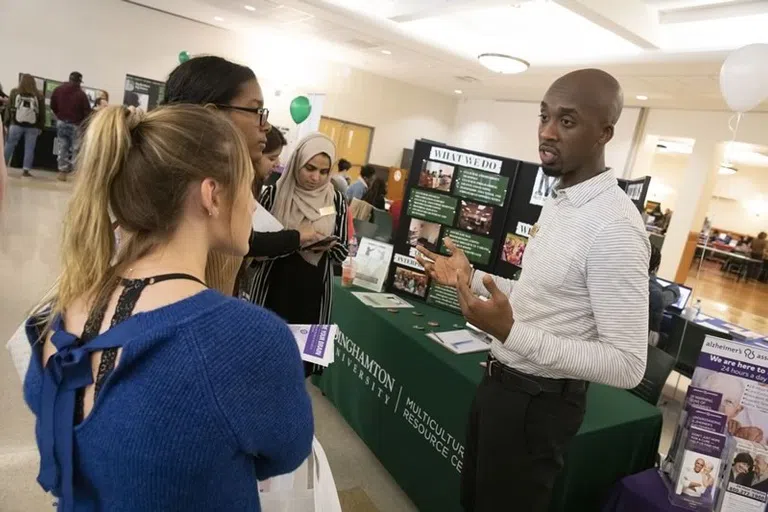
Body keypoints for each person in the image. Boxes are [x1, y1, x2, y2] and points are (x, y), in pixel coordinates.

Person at [22, 105, 313, 511]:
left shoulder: (58, 310)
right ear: (212, 195)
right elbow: (286, 451)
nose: (252, 207)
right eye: (248, 188)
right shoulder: (245, 338)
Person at [416, 69, 649, 511]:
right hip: (499, 385)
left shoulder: (616, 226)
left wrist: (512, 334)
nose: (546, 132)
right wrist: (476, 278)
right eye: (544, 116)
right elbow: (540, 296)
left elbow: (628, 365)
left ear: (605, 132)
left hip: (538, 408)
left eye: (567, 121)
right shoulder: (562, 198)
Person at [164, 55, 321, 294]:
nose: (266, 125)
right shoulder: (179, 196)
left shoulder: (221, 183)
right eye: (256, 110)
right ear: (213, 116)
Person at [241, 133, 349, 375]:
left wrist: (329, 246)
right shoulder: (273, 194)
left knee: (302, 370)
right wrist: (293, 239)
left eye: (323, 171)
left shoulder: (337, 200)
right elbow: (253, 244)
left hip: (314, 293)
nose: (315, 177)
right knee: (262, 361)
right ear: (297, 162)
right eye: (309, 168)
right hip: (274, 287)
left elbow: (343, 252)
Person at [50, 71, 92, 181]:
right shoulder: (81, 94)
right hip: (76, 124)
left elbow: (52, 105)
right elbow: (87, 112)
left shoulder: (58, 90)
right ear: (79, 81)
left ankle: (62, 172)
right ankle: (75, 174)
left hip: (61, 122)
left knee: (62, 147)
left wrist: (59, 115)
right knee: (76, 149)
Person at [4, 74, 45, 177]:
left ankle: (2, 167)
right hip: (33, 126)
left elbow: (9, 108)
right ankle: (26, 170)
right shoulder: (39, 95)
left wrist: (6, 123)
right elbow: (42, 113)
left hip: (15, 124)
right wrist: (40, 126)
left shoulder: (14, 92)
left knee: (9, 145)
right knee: (29, 148)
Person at [648, 246, 680, 345]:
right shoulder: (655, 292)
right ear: (656, 267)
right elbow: (660, 299)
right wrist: (674, 289)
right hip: (645, 338)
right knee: (673, 337)